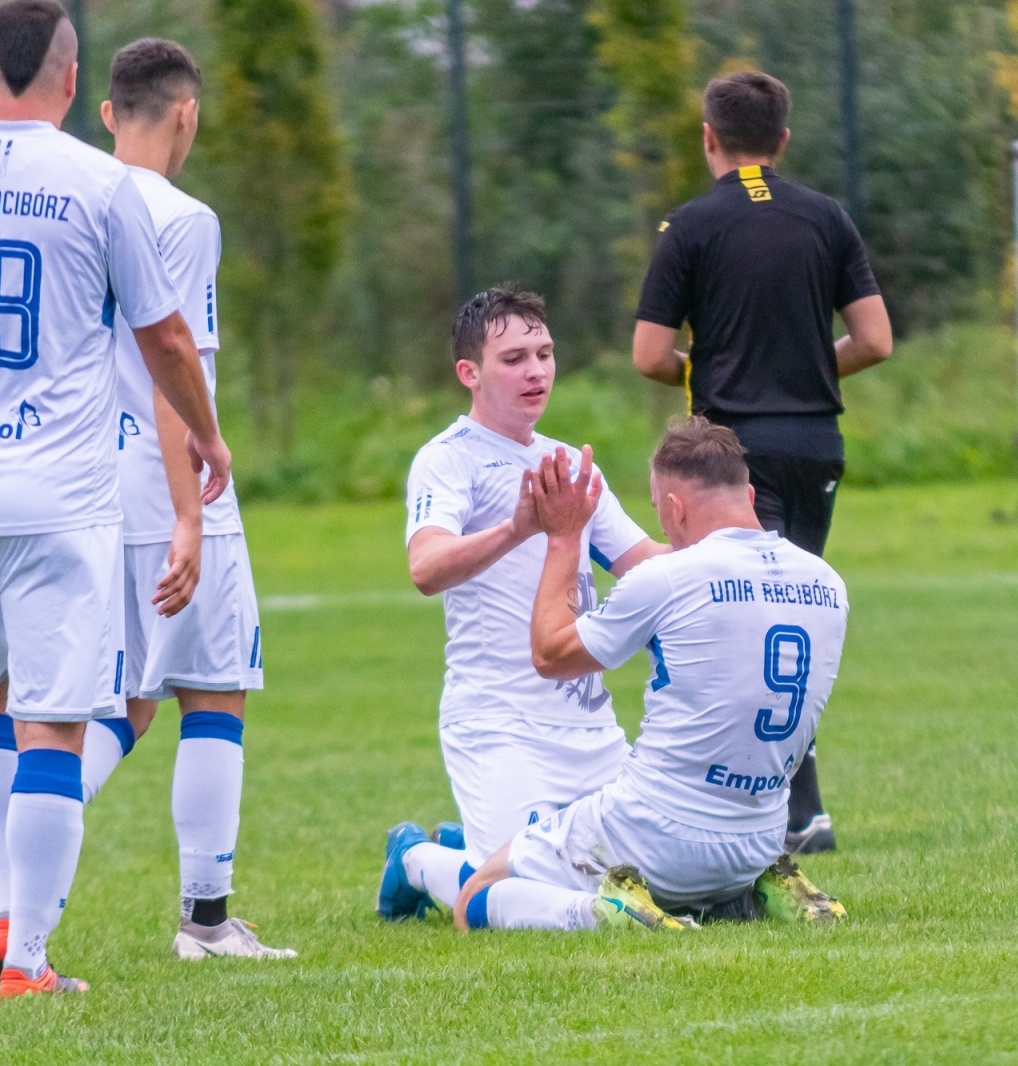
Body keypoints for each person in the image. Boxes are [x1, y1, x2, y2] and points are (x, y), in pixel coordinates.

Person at [0, 0, 231, 998]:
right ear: (71, 84)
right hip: (60, 497)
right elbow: (164, 341)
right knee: (56, 721)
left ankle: (2, 912)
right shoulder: (101, 184)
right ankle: (26, 962)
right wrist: (206, 431)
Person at [630, 70, 893, 855]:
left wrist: (711, 374)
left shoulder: (691, 227)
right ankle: (802, 812)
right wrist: (804, 370)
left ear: (708, 137)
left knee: (730, 622)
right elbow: (876, 340)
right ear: (782, 140)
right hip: (814, 444)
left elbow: (648, 354)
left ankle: (754, 810)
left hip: (727, 452)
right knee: (791, 618)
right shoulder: (828, 218)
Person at [71, 37, 293, 962]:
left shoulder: (73, 198)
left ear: (110, 113)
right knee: (214, 693)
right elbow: (172, 365)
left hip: (79, 482)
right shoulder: (181, 217)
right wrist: (192, 512)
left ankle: (16, 874)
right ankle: (206, 923)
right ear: (188, 115)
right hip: (163, 483)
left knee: (121, 700)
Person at [450, 418, 849, 931]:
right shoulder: (828, 583)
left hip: (655, 836)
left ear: (676, 508)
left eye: (662, 515)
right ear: (747, 493)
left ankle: (601, 913)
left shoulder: (667, 577)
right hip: (760, 836)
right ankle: (751, 891)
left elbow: (551, 654)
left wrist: (565, 535)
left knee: (475, 896)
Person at [376, 286, 666, 920]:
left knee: (653, 883)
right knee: (534, 897)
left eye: (545, 352)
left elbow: (643, 562)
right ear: (469, 373)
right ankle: (417, 860)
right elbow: (426, 568)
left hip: (591, 730)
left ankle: (461, 846)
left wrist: (733, 561)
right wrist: (518, 527)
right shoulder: (448, 460)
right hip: (500, 724)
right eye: (514, 358)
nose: (536, 370)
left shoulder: (566, 460)